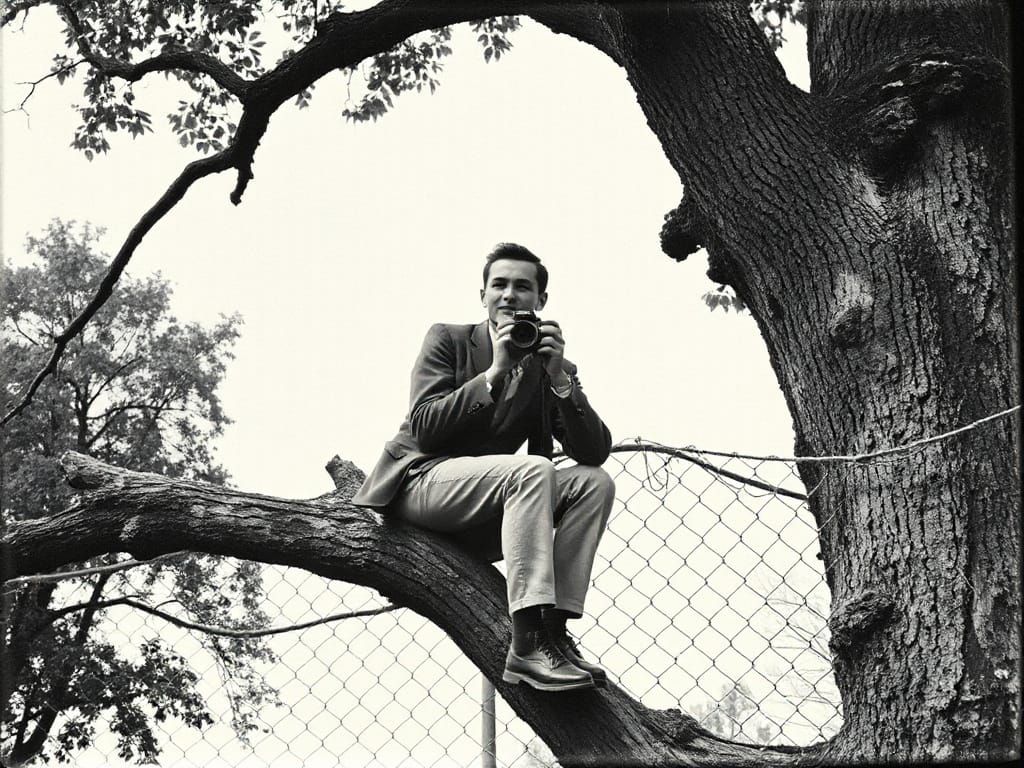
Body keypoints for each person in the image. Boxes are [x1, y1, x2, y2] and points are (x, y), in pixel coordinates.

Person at [352, 242, 615, 692]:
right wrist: (493, 373)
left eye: (522, 286)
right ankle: (527, 645)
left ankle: (553, 633)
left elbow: (594, 451)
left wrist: (558, 380)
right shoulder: (449, 339)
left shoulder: (546, 363)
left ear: (541, 301)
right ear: (483, 296)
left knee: (594, 483)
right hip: (421, 484)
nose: (510, 295)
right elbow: (426, 426)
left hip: (487, 508)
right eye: (500, 285)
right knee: (532, 469)